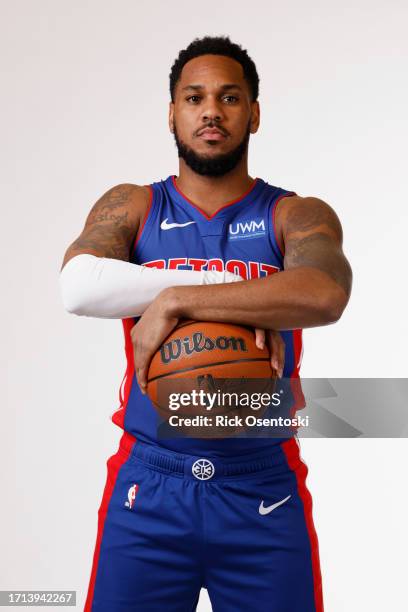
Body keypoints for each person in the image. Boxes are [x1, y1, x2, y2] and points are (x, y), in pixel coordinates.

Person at [59, 35, 352, 612]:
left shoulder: (294, 214)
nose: (211, 111)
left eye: (230, 98)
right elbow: (77, 285)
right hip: (150, 484)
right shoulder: (135, 206)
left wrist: (174, 301)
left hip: (261, 485)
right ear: (172, 113)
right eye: (194, 98)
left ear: (255, 113)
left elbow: (324, 293)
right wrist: (207, 292)